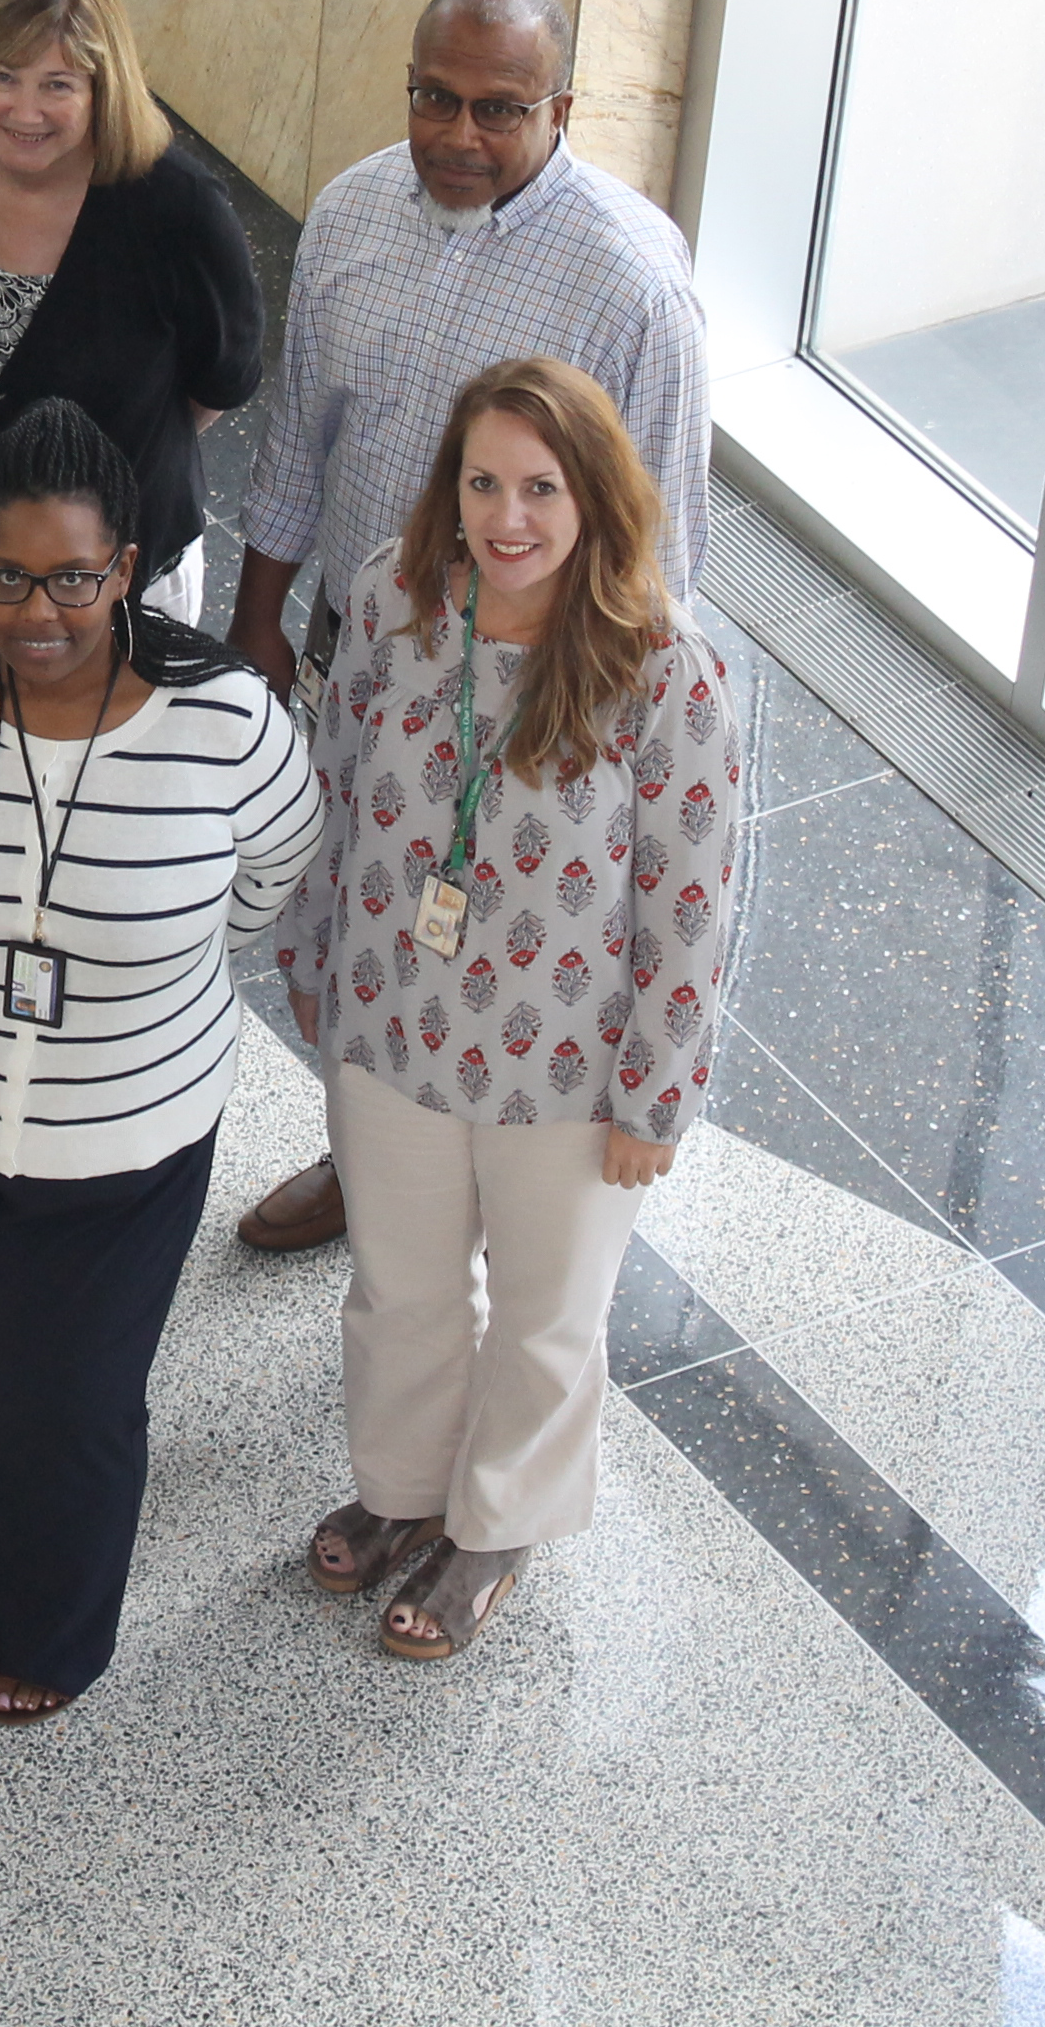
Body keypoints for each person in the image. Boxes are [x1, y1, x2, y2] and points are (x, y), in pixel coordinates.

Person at [227, 0, 712, 1254]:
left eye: (496, 109)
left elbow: (666, 554)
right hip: (366, 649)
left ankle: (508, 1193)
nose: (454, 134)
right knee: (354, 913)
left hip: (537, 690)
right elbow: (299, 441)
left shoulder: (631, 287)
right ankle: (367, 1153)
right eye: (431, 97)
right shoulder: (349, 211)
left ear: (562, 106)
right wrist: (258, 620)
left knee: (494, 942)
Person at [0, 401, 317, 1722]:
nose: (37, 610)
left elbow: (275, 869)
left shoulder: (225, 723)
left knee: (66, 1404)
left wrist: (157, 972)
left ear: (125, 569)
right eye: (6, 577)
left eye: (72, 577)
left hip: (124, 1132)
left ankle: (55, 1629)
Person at [284, 359, 737, 1659]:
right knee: (400, 1290)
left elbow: (692, 904)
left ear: (596, 497)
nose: (508, 516)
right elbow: (338, 777)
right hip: (393, 1028)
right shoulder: (393, 597)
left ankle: (495, 1527)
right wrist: (313, 955)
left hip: (569, 1077)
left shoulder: (664, 671)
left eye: (540, 487)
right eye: (483, 481)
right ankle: (401, 1495)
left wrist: (659, 1092)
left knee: (545, 1317)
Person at [0, 0, 262, 630]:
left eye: (58, 84)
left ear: (102, 90)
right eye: (4, 76)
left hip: (120, 572)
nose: (26, 111)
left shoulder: (179, 209)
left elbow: (221, 384)